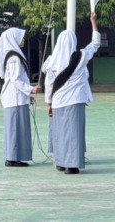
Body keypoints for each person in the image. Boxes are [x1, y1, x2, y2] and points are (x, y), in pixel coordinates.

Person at [43, 13, 100, 175]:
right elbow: (95, 44)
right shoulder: (80, 57)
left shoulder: (51, 60)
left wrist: (48, 103)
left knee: (60, 132)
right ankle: (72, 165)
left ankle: (61, 162)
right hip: (74, 101)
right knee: (73, 133)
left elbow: (48, 84)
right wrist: (93, 22)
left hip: (58, 101)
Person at [0, 27, 40, 167]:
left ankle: (14, 157)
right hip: (15, 98)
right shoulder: (14, 58)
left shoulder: (12, 55)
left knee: (16, 128)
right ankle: (12, 158)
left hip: (17, 98)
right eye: (21, 37)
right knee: (16, 129)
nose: (23, 40)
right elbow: (16, 80)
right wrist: (31, 89)